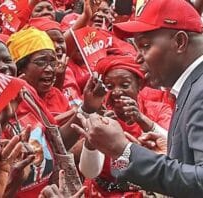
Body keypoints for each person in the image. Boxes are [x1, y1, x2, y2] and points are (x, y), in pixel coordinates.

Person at [72, 0, 203, 197]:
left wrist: (125, 150)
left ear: (180, 42)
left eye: (145, 46)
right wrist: (164, 155)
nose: (138, 58)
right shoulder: (192, 87)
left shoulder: (200, 92)